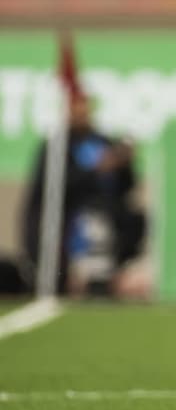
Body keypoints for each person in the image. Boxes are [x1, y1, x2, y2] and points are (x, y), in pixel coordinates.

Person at [21, 90, 147, 297]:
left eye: (86, 108)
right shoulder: (57, 146)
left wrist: (124, 163)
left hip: (105, 215)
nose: (82, 113)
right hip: (70, 217)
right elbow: (52, 186)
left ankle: (109, 279)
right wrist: (96, 169)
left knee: (132, 220)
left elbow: (125, 186)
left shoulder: (103, 141)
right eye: (77, 108)